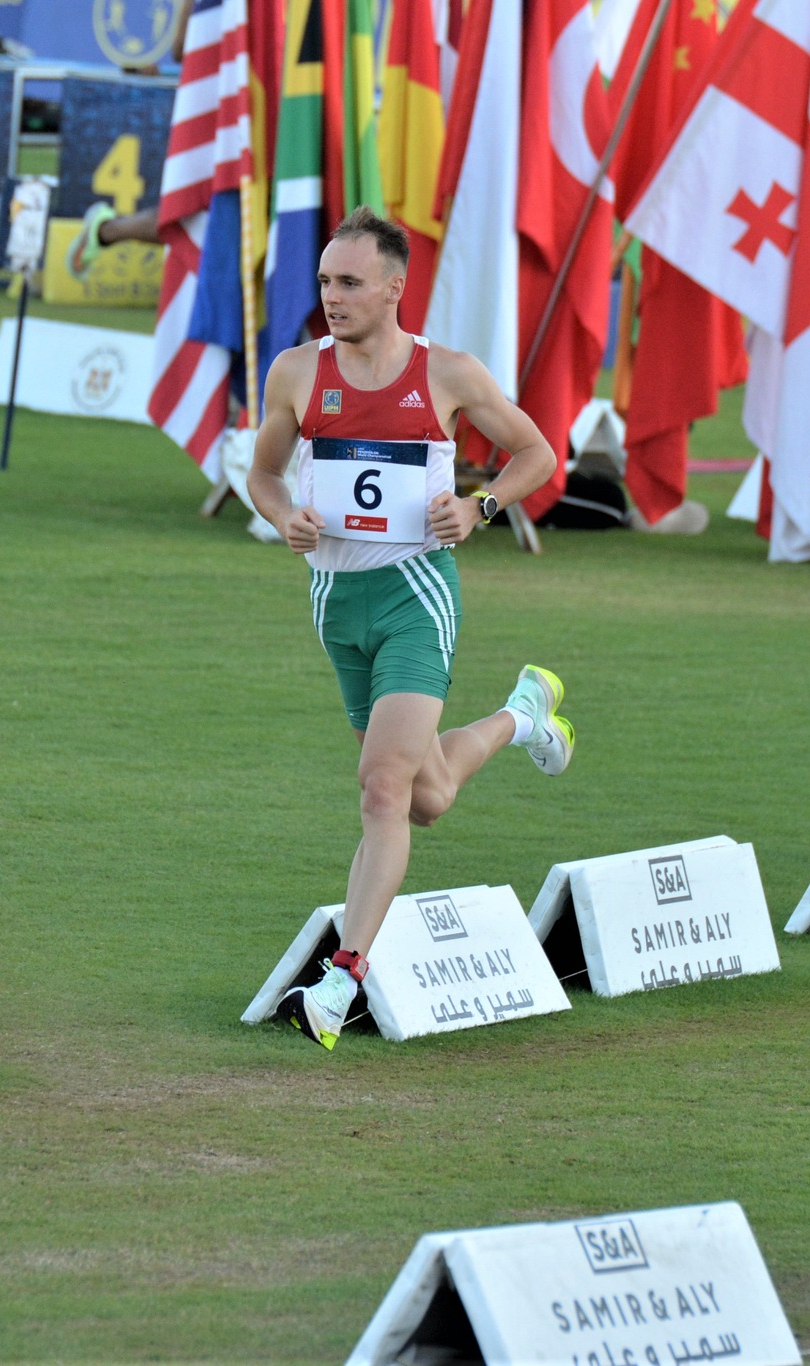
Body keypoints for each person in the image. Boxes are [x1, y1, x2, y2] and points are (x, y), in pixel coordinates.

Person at [247, 207, 571, 1050]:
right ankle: (523, 714)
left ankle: (339, 982)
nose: (333, 297)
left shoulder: (448, 375)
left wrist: (480, 505)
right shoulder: (295, 372)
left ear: (395, 288)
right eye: (325, 281)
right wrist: (285, 518)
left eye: (350, 283)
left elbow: (537, 454)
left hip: (414, 597)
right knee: (424, 796)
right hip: (334, 604)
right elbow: (262, 473)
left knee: (381, 789)